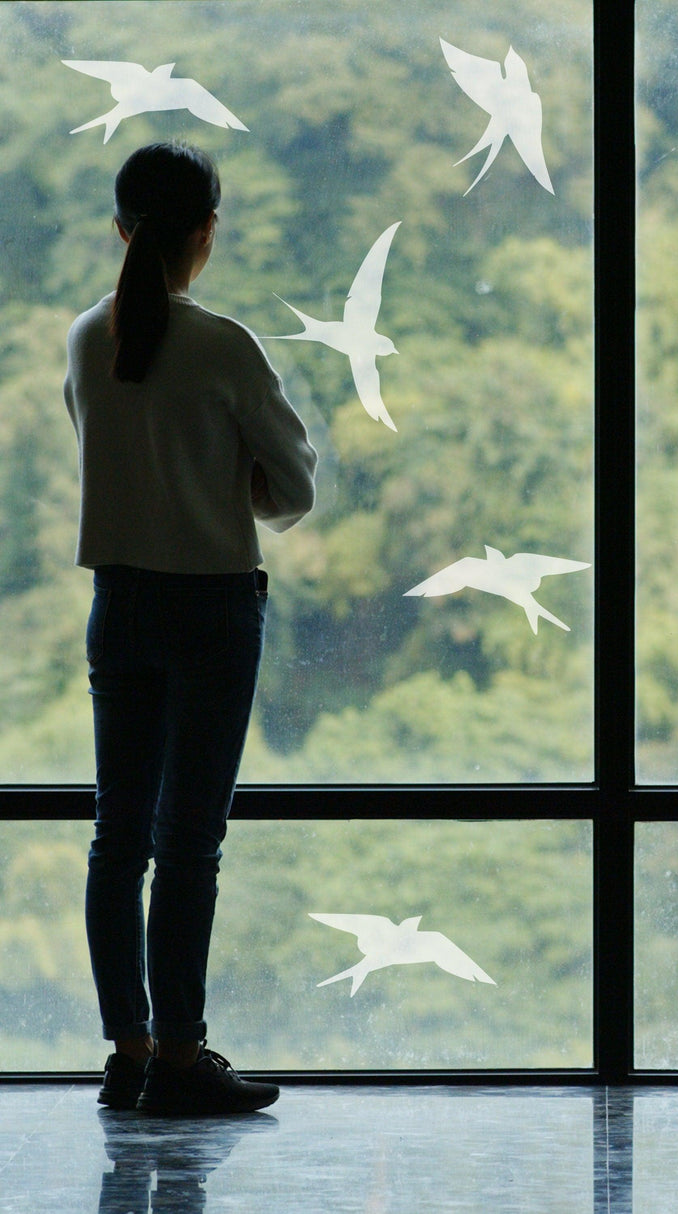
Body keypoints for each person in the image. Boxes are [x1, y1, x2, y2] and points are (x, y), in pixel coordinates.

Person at [63, 142, 318, 1115]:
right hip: (210, 604)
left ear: (120, 228)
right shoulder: (223, 345)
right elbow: (290, 487)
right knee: (189, 843)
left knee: (115, 839)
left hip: (117, 602)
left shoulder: (89, 334)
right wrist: (230, 485)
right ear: (204, 232)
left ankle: (126, 1050)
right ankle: (180, 1055)